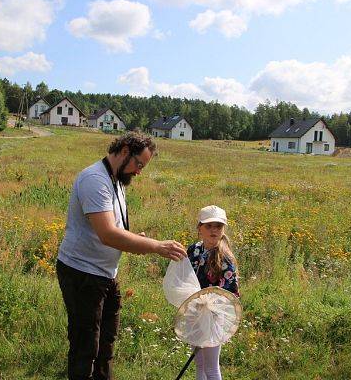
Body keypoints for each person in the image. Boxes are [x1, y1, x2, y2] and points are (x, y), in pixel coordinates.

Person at [56, 131, 187, 380]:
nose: (139, 171)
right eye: (139, 164)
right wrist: (154, 245)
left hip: (103, 274)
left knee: (105, 344)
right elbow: (107, 234)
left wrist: (136, 238)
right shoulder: (94, 179)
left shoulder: (116, 179)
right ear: (125, 150)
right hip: (82, 274)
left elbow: (115, 228)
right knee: (86, 348)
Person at [187, 205, 240, 380]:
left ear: (223, 229)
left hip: (213, 316)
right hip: (193, 312)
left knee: (211, 367)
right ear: (199, 228)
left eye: (218, 226)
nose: (213, 230)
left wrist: (209, 304)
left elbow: (230, 294)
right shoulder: (193, 250)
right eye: (208, 226)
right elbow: (186, 278)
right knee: (199, 364)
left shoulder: (225, 258)